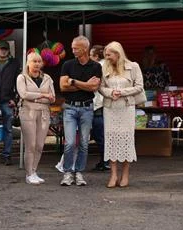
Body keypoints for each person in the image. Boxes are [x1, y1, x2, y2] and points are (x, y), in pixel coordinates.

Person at [99, 42, 144, 188]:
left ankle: (125, 174)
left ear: (118, 53)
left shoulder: (133, 66)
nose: (106, 57)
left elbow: (139, 86)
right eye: (105, 55)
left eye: (109, 54)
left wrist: (122, 92)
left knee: (126, 140)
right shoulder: (104, 67)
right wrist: (111, 92)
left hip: (126, 108)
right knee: (111, 139)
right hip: (110, 108)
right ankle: (113, 175)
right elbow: (100, 87)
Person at [59, 36, 102, 187]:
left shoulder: (96, 67)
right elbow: (63, 87)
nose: (72, 50)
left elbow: (94, 88)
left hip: (87, 107)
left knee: (84, 142)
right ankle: (67, 172)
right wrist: (84, 85)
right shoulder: (68, 64)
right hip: (70, 106)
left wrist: (73, 81)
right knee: (70, 142)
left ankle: (79, 172)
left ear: (84, 49)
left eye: (75, 48)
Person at [16, 52, 56, 185]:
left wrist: (38, 97)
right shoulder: (22, 78)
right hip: (28, 112)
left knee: (39, 145)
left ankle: (34, 170)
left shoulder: (48, 78)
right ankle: (28, 173)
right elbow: (24, 94)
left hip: (44, 113)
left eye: (39, 61)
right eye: (34, 61)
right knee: (31, 144)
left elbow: (53, 98)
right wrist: (43, 95)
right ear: (28, 62)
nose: (37, 64)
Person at [89, 45, 109, 172]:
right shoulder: (106, 67)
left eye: (91, 55)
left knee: (99, 135)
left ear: (96, 56)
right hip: (103, 106)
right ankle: (104, 161)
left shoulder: (98, 67)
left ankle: (105, 161)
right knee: (101, 135)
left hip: (98, 106)